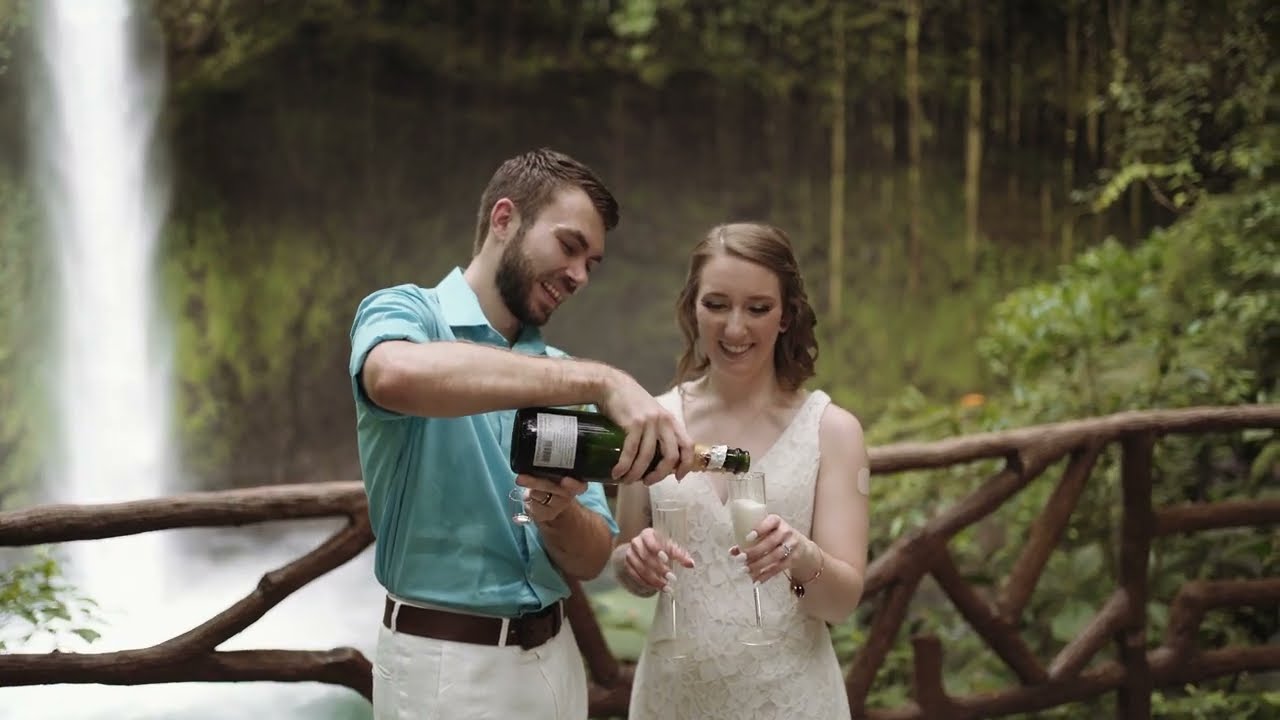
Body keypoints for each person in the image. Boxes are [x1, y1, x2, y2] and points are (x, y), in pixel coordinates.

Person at [348, 148, 697, 720]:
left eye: (593, 264)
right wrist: (601, 379)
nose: (580, 275)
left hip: (556, 662)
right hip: (445, 665)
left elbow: (589, 559)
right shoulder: (406, 312)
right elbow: (393, 377)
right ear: (504, 219)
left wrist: (556, 513)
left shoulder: (555, 369)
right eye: (569, 247)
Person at [612, 222, 871, 719]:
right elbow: (625, 558)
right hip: (672, 700)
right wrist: (634, 561)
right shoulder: (652, 419)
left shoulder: (833, 432)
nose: (735, 328)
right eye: (716, 305)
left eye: (758, 308)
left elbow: (841, 605)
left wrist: (799, 554)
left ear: (785, 317)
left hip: (790, 700)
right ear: (692, 308)